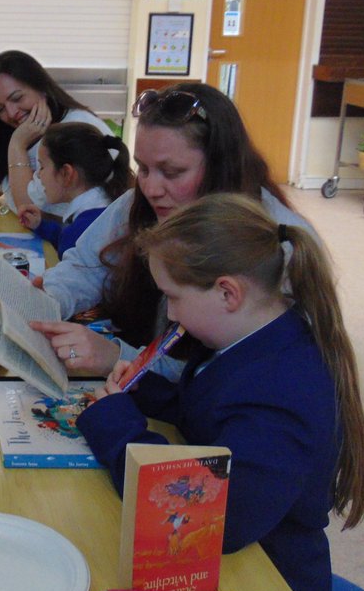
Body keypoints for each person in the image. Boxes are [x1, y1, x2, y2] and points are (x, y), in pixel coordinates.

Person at [75, 194, 364, 591]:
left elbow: (216, 520)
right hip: (245, 557)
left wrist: (118, 429)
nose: (171, 315)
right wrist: (144, 392)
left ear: (227, 292)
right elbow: (212, 409)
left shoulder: (282, 390)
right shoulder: (251, 341)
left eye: (173, 298)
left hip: (269, 588)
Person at [34, 83, 316, 380]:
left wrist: (116, 357)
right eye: (142, 168)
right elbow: (86, 266)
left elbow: (224, 381)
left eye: (172, 173)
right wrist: (50, 298)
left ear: (220, 166)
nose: (151, 189)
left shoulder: (273, 243)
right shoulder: (138, 203)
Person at [0, 50, 115, 221]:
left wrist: (17, 145)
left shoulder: (75, 131)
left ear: (42, 89)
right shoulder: (19, 129)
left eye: (17, 98)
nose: (11, 113)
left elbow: (28, 208)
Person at [17, 122, 132, 257]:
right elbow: (66, 237)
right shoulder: (103, 210)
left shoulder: (80, 233)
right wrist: (40, 225)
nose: (38, 175)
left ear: (66, 173)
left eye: (42, 167)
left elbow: (71, 243)